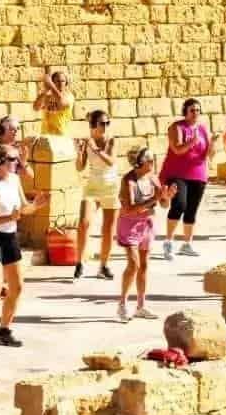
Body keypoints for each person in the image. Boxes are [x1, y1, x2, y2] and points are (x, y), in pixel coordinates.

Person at [0, 147, 41, 354]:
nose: (17, 162)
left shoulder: (14, 179)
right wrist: (11, 218)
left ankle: (4, 331)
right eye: (13, 159)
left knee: (17, 287)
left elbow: (23, 208)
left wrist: (36, 206)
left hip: (9, 236)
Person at [116, 146, 176, 321]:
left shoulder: (152, 178)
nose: (153, 163)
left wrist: (167, 197)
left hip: (147, 225)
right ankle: (122, 304)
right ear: (139, 164)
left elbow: (164, 204)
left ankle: (141, 306)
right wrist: (156, 198)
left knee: (144, 265)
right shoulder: (128, 181)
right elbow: (129, 208)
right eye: (149, 160)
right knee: (133, 264)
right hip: (129, 225)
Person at [160, 98, 212, 260]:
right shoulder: (177, 127)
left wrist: (214, 144)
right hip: (177, 173)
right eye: (192, 110)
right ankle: (168, 241)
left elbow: (208, 153)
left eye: (198, 110)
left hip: (198, 173)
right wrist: (191, 142)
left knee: (192, 209)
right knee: (179, 205)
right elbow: (176, 149)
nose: (195, 113)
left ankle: (187, 244)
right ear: (185, 111)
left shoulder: (203, 129)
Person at [73, 109, 119, 279]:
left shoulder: (111, 141)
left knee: (108, 228)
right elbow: (80, 167)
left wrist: (95, 149)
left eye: (108, 123)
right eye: (102, 123)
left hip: (110, 186)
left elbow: (111, 162)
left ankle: (104, 265)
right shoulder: (88, 142)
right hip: (92, 185)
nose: (106, 126)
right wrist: (79, 152)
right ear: (93, 125)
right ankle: (80, 263)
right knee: (84, 223)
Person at [33, 69, 75, 137]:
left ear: (66, 83)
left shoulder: (69, 97)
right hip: (46, 136)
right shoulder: (47, 96)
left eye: (63, 81)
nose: (60, 83)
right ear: (54, 82)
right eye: (57, 81)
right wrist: (45, 92)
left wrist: (50, 85)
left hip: (61, 136)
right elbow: (35, 107)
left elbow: (61, 102)